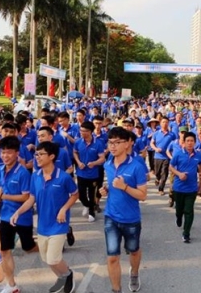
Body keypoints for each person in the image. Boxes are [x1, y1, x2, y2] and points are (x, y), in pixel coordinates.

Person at [10, 142, 78, 293]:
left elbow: (74, 195)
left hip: (59, 224)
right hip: (42, 225)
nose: (37, 157)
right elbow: (31, 199)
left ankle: (67, 275)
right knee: (46, 259)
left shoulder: (64, 177)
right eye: (36, 154)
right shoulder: (35, 176)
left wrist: (64, 209)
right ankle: (63, 276)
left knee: (53, 258)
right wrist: (18, 213)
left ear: (52, 156)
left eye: (41, 154)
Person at [99, 127, 147, 293]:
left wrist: (124, 187)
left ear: (127, 144)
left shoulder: (137, 166)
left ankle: (134, 273)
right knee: (112, 257)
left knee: (133, 251)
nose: (112, 146)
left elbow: (142, 195)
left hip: (131, 219)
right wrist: (105, 190)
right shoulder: (108, 164)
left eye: (117, 142)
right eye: (110, 142)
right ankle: (116, 289)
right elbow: (112, 186)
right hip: (110, 216)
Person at [0, 136, 36, 293]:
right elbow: (2, 187)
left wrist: (1, 197)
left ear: (17, 153)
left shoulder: (23, 173)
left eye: (8, 153)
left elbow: (25, 196)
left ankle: (47, 245)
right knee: (5, 250)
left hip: (22, 216)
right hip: (5, 215)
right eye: (2, 153)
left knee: (28, 248)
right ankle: (12, 285)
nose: (5, 156)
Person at [169, 131, 201, 243]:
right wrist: (179, 174)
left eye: (192, 141)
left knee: (189, 211)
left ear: (195, 142)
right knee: (180, 210)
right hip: (178, 187)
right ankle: (178, 217)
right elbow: (171, 166)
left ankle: (186, 233)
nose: (190, 143)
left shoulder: (198, 154)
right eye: (187, 141)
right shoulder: (178, 154)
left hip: (191, 188)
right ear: (183, 142)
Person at [73, 121, 105, 222]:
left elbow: (102, 158)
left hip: (93, 174)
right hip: (81, 173)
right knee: (81, 195)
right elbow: (75, 152)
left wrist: (94, 163)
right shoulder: (78, 142)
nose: (81, 132)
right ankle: (86, 205)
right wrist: (78, 162)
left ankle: (92, 212)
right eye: (81, 130)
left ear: (90, 131)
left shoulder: (98, 143)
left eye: (84, 131)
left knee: (92, 195)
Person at [150, 117, 175, 196]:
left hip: (166, 157)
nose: (165, 124)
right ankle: (157, 179)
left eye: (166, 122)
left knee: (164, 173)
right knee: (157, 172)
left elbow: (175, 144)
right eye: (163, 122)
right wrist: (156, 149)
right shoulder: (156, 133)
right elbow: (152, 143)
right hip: (157, 156)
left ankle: (161, 189)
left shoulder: (172, 134)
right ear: (160, 123)